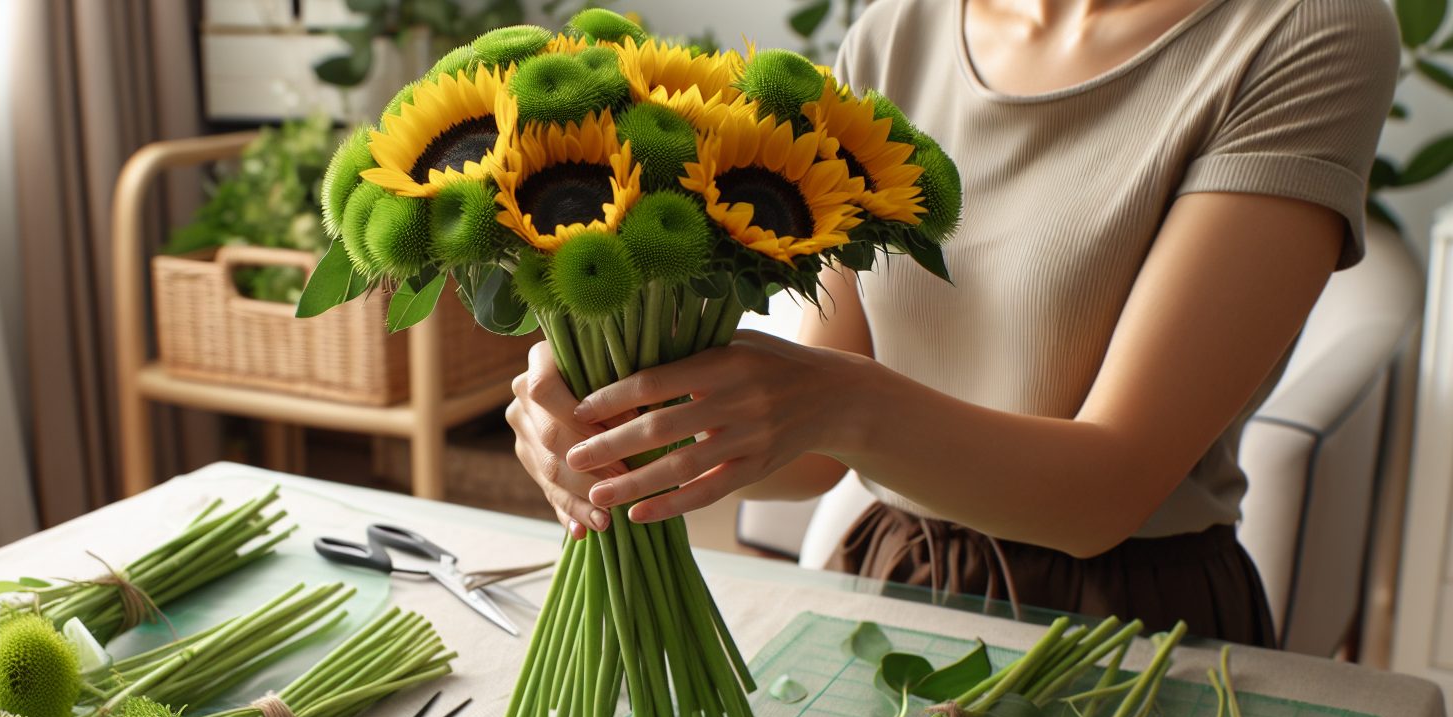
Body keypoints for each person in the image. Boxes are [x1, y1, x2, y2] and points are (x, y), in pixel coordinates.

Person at [505, 0, 1398, 646]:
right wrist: (615, 425)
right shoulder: (897, 32)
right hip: (888, 587)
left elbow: (1105, 495)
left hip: (1123, 636)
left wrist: (831, 403)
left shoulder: (1306, 30)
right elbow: (810, 461)